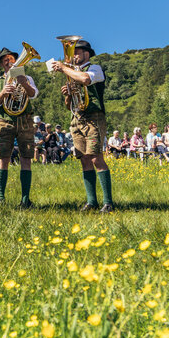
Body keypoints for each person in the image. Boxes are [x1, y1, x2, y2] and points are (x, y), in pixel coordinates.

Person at [50, 39, 114, 213]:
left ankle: (108, 202)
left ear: (87, 54)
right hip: (77, 118)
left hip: (93, 117)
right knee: (84, 159)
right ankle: (91, 201)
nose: (74, 55)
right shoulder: (72, 73)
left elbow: (85, 79)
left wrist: (63, 67)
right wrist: (68, 95)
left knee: (95, 158)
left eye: (77, 52)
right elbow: (68, 105)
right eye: (72, 52)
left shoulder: (94, 68)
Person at [0, 47, 39, 206]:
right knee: (3, 158)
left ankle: (25, 199)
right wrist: (3, 93)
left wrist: (24, 83)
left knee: (26, 158)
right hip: (5, 121)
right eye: (5, 62)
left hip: (25, 121)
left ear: (16, 61)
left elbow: (34, 94)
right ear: (2, 65)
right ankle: (0, 198)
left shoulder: (27, 77)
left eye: (11, 60)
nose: (8, 63)